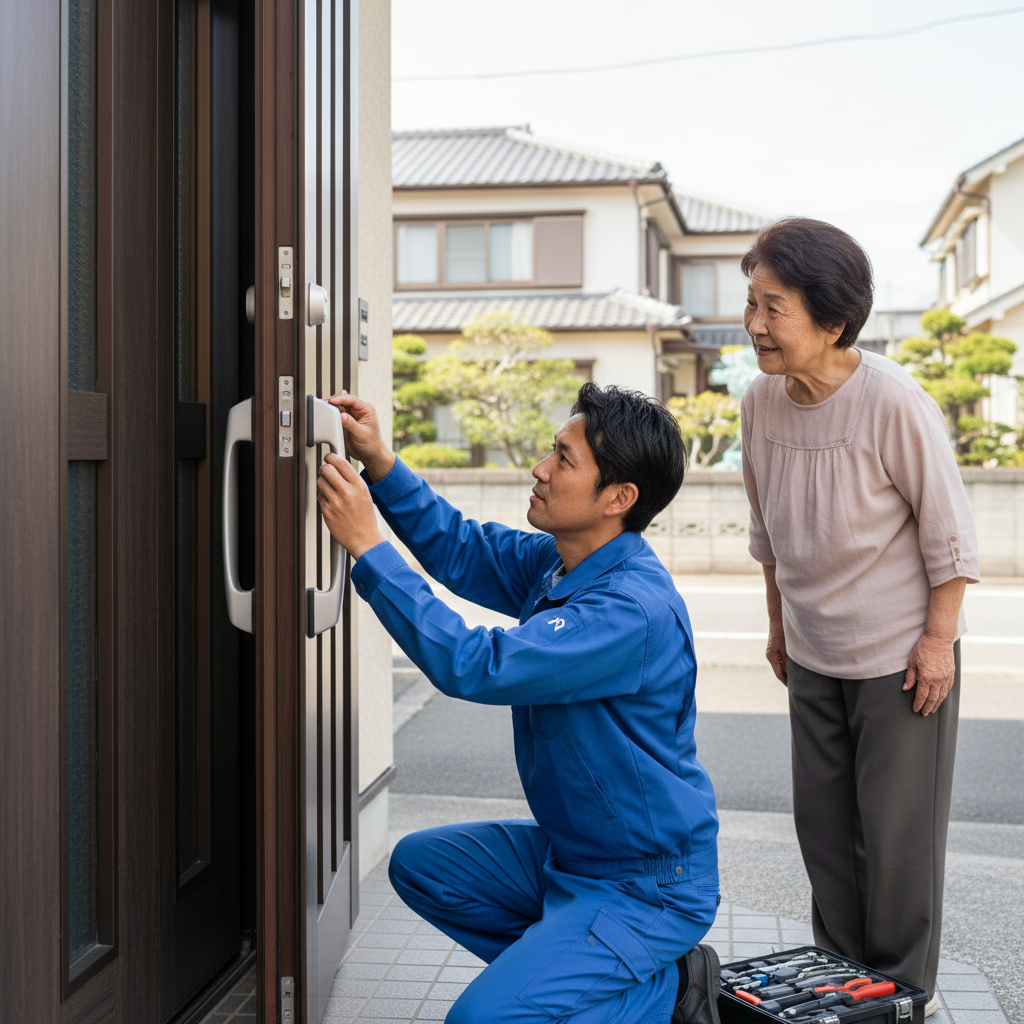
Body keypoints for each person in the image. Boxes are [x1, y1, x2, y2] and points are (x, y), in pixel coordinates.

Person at [316, 383, 721, 1024]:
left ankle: (665, 996)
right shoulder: (560, 562)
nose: (540, 468)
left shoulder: (628, 610)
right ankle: (590, 978)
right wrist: (382, 465)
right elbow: (461, 548)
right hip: (572, 855)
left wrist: (370, 549)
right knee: (423, 867)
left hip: (646, 886)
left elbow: (478, 666)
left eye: (564, 458)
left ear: (618, 498)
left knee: (482, 1021)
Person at [739, 218, 979, 1013]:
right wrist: (778, 630)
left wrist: (938, 643)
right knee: (828, 844)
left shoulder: (893, 401)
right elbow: (770, 534)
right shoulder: (759, 406)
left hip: (899, 661)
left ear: (833, 320)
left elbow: (949, 534)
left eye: (774, 308)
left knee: (897, 848)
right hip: (812, 653)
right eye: (752, 305)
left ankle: (903, 997)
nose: (756, 326)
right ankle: (841, 993)